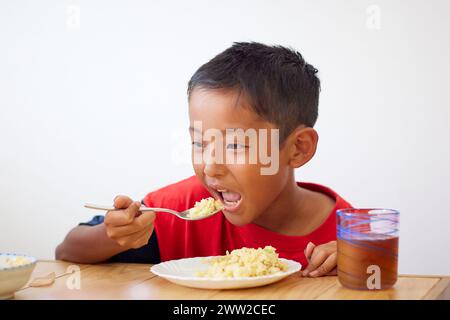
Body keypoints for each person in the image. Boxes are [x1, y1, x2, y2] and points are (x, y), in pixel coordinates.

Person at [56, 42, 351, 278]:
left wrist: (358, 259)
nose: (210, 166)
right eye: (199, 142)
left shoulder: (349, 231)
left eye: (235, 145)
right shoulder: (180, 210)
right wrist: (117, 234)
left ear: (298, 148)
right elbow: (67, 250)